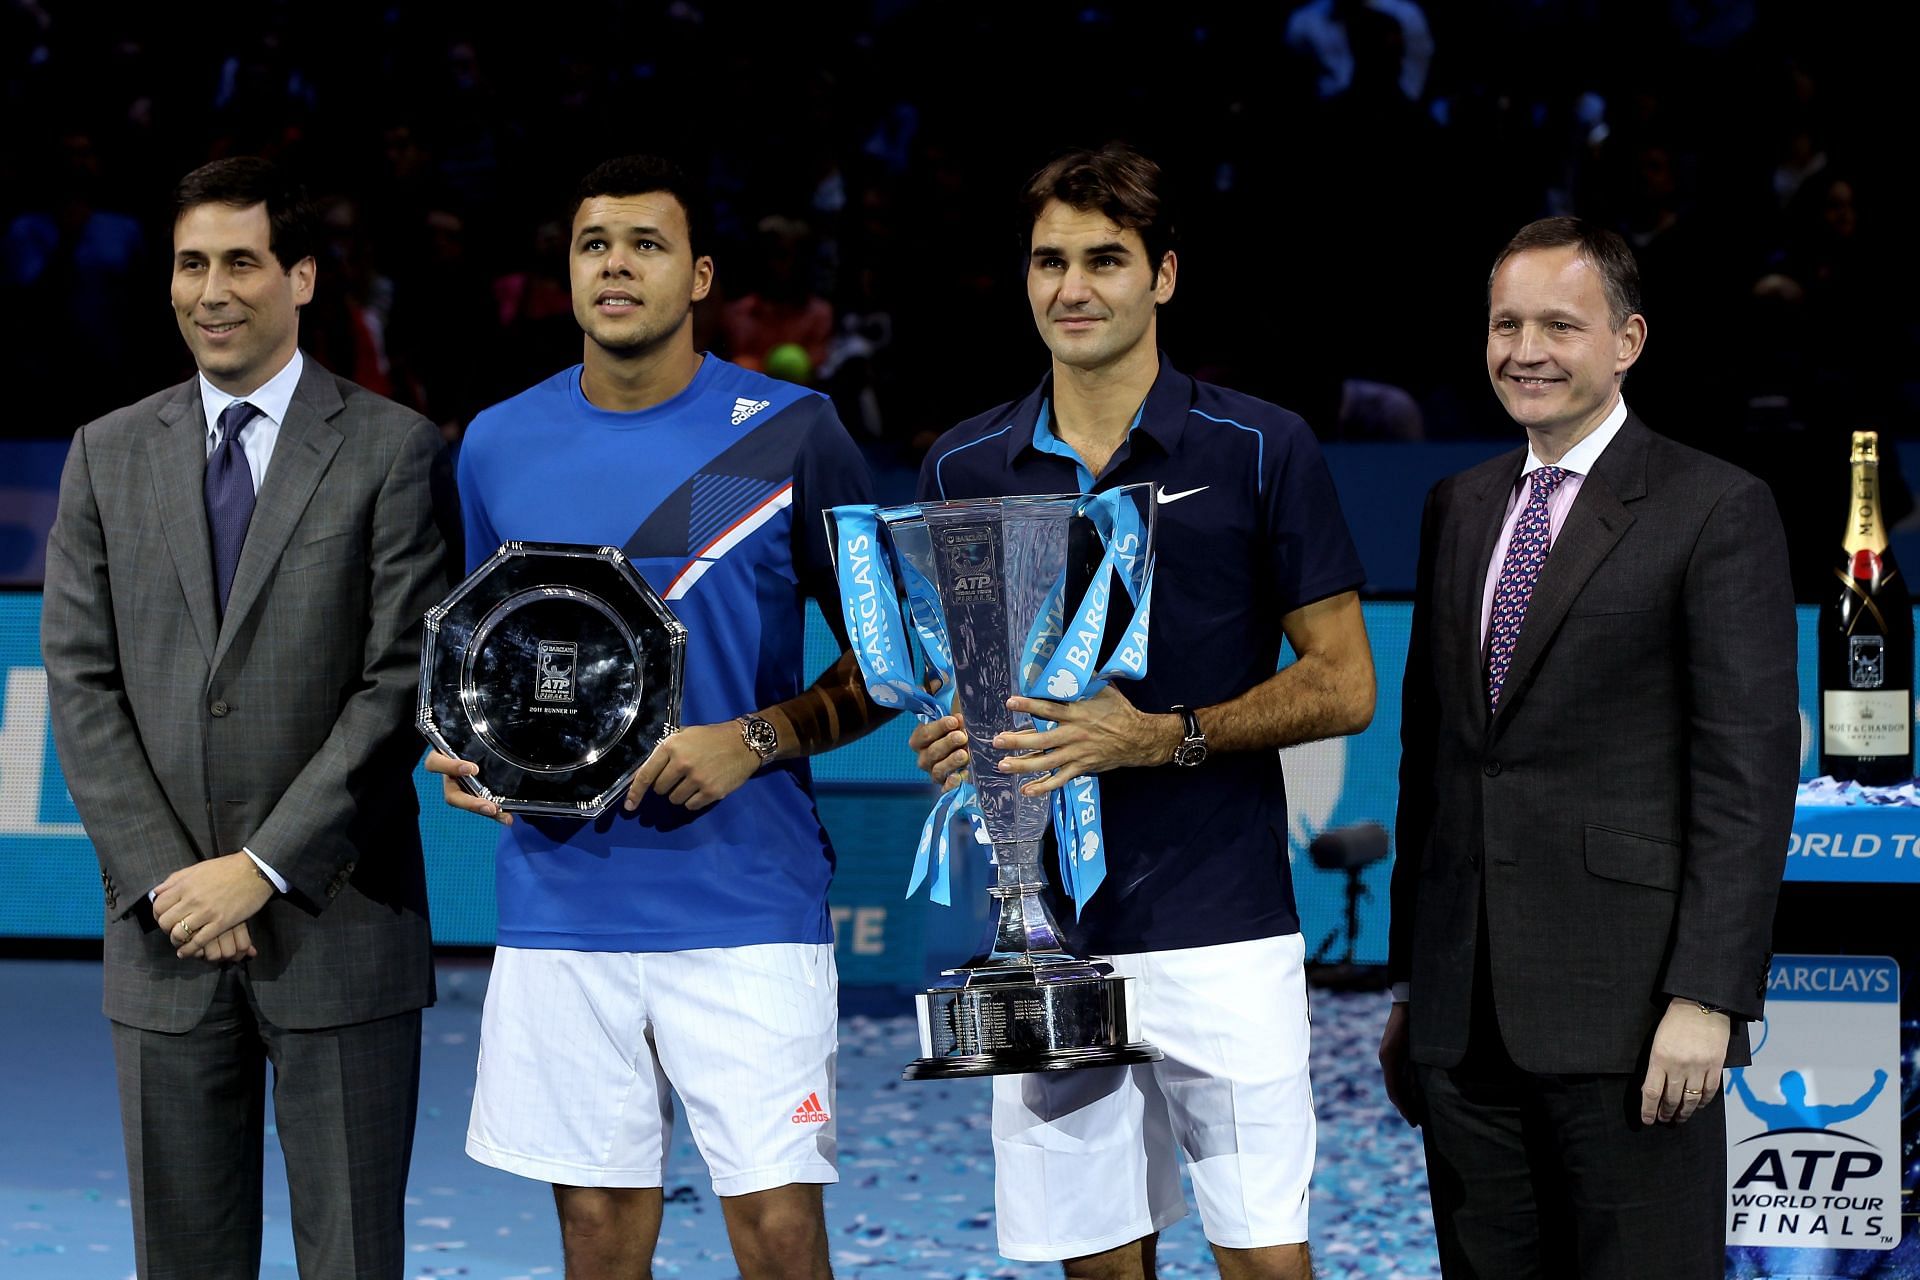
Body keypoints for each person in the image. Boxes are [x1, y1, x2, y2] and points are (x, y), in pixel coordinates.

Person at [910, 143, 1375, 1280]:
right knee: (1098, 1268)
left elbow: (1345, 680)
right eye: (1049, 261)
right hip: (1047, 941)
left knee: (1266, 1261)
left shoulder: (1263, 445)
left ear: (1163, 275)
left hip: (1226, 925)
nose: (1073, 287)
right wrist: (949, 737)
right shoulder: (962, 465)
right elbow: (958, 689)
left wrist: (1158, 736)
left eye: (1105, 259)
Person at [426, 154, 886, 1280]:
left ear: (700, 278)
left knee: (777, 1237)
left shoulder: (791, 432)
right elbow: (494, 647)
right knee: (595, 1240)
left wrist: (754, 739)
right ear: (568, 274)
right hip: (562, 900)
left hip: (746, 899)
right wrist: (465, 743)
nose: (616, 264)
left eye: (646, 243)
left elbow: (900, 661)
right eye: (594, 244)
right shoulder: (494, 443)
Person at [40, 156, 446, 1277]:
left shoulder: (395, 450)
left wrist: (260, 865)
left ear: (302, 276)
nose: (210, 291)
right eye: (189, 264)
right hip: (164, 934)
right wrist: (176, 877)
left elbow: (398, 679)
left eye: (240, 262)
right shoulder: (105, 454)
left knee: (352, 1258)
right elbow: (79, 680)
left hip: (341, 928)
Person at [1381, 216, 1798, 1278]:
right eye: (1506, 323)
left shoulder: (1717, 508)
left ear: (1628, 341)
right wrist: (1410, 990)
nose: (1527, 348)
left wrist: (1708, 996)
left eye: (1560, 324)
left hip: (1634, 1020)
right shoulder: (1458, 506)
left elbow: (1746, 778)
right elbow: (1431, 763)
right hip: (1462, 1025)